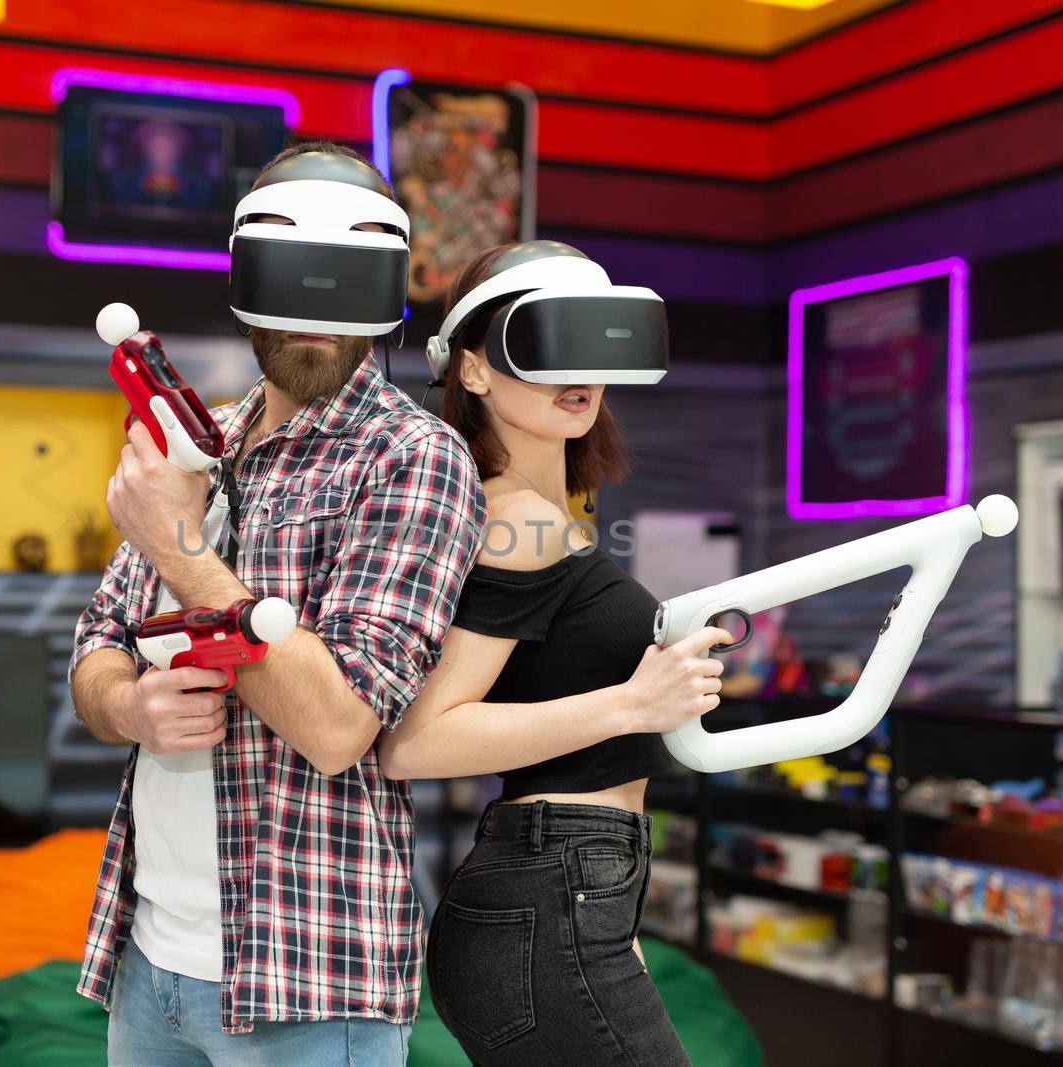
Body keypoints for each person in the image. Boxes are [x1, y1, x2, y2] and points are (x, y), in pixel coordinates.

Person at [68, 142, 484, 1067]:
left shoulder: (413, 459)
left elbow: (339, 727)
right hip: (147, 961)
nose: (317, 322)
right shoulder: (197, 442)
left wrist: (181, 546)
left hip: (310, 983)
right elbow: (96, 647)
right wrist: (131, 703)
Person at [379, 241, 730, 1066]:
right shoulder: (520, 522)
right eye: (543, 345)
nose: (577, 373)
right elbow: (417, 741)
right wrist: (633, 703)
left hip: (573, 890)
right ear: (471, 369)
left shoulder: (550, 511)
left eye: (592, 343)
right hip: (550, 889)